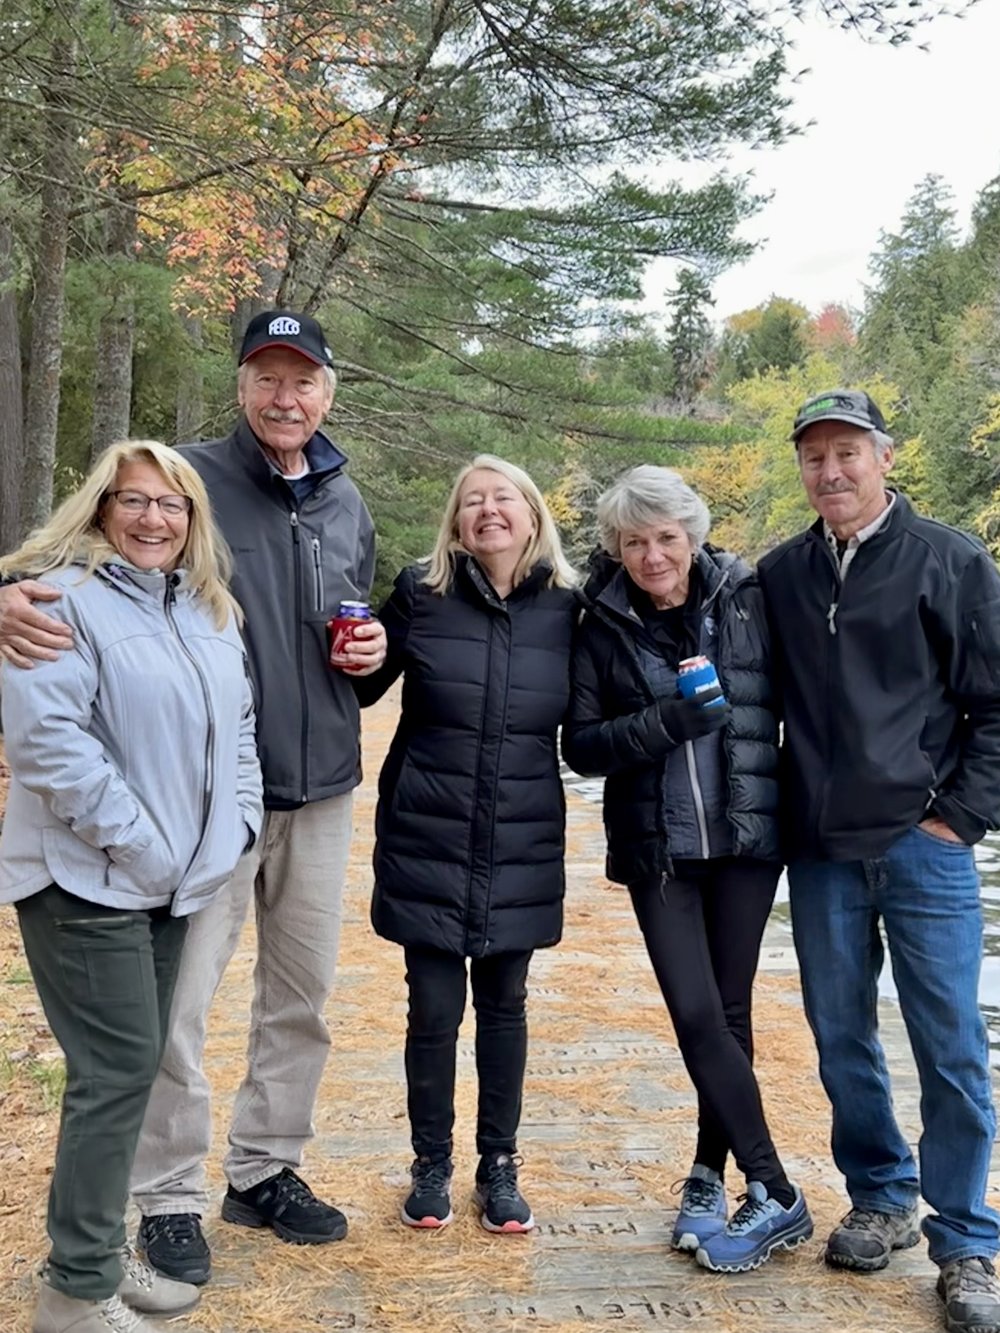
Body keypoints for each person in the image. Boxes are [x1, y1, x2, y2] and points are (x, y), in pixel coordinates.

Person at [0, 310, 387, 1286]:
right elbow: (64, 565)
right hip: (197, 802)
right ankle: (168, 1195)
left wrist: (375, 658)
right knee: (174, 1008)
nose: (285, 396)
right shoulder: (184, 485)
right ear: (243, 386)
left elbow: (357, 641)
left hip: (320, 791)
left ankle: (265, 1169)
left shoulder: (347, 505)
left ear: (328, 393)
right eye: (267, 377)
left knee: (302, 1001)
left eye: (303, 380)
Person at [0, 441, 263, 1333]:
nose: (154, 518)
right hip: (84, 884)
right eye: (133, 500)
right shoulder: (53, 602)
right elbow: (49, 747)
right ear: (101, 508)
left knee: (132, 1070)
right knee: (114, 1074)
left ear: (194, 519)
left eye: (172, 504)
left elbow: (240, 733)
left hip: (174, 887)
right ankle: (73, 1292)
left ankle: (98, 1255)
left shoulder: (210, 612)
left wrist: (236, 829)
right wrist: (150, 849)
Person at [758, 389, 1000, 1333]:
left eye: (847, 452)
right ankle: (883, 1194)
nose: (832, 471)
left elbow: (994, 706)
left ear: (884, 457)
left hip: (924, 846)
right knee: (839, 1032)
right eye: (814, 456)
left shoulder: (953, 560)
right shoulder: (781, 575)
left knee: (950, 1042)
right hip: (820, 851)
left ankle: (968, 1238)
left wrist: (960, 818)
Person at [562, 464, 812, 1273]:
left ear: (692, 535)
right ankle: (775, 1185)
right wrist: (669, 720)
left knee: (730, 1017)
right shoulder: (598, 619)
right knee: (697, 1015)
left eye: (666, 537)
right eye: (634, 541)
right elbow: (584, 745)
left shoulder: (747, 594)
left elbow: (801, 695)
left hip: (745, 840)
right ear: (616, 547)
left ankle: (710, 1173)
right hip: (657, 849)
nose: (652, 555)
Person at [352, 454, 577, 1234]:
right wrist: (350, 647)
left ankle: (500, 1166)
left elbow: (592, 726)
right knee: (434, 1008)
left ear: (532, 512)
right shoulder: (422, 593)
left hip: (521, 835)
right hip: (429, 831)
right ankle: (431, 1164)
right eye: (472, 500)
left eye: (503, 497)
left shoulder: (569, 607)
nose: (488, 510)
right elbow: (361, 682)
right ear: (455, 521)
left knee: (506, 1005)